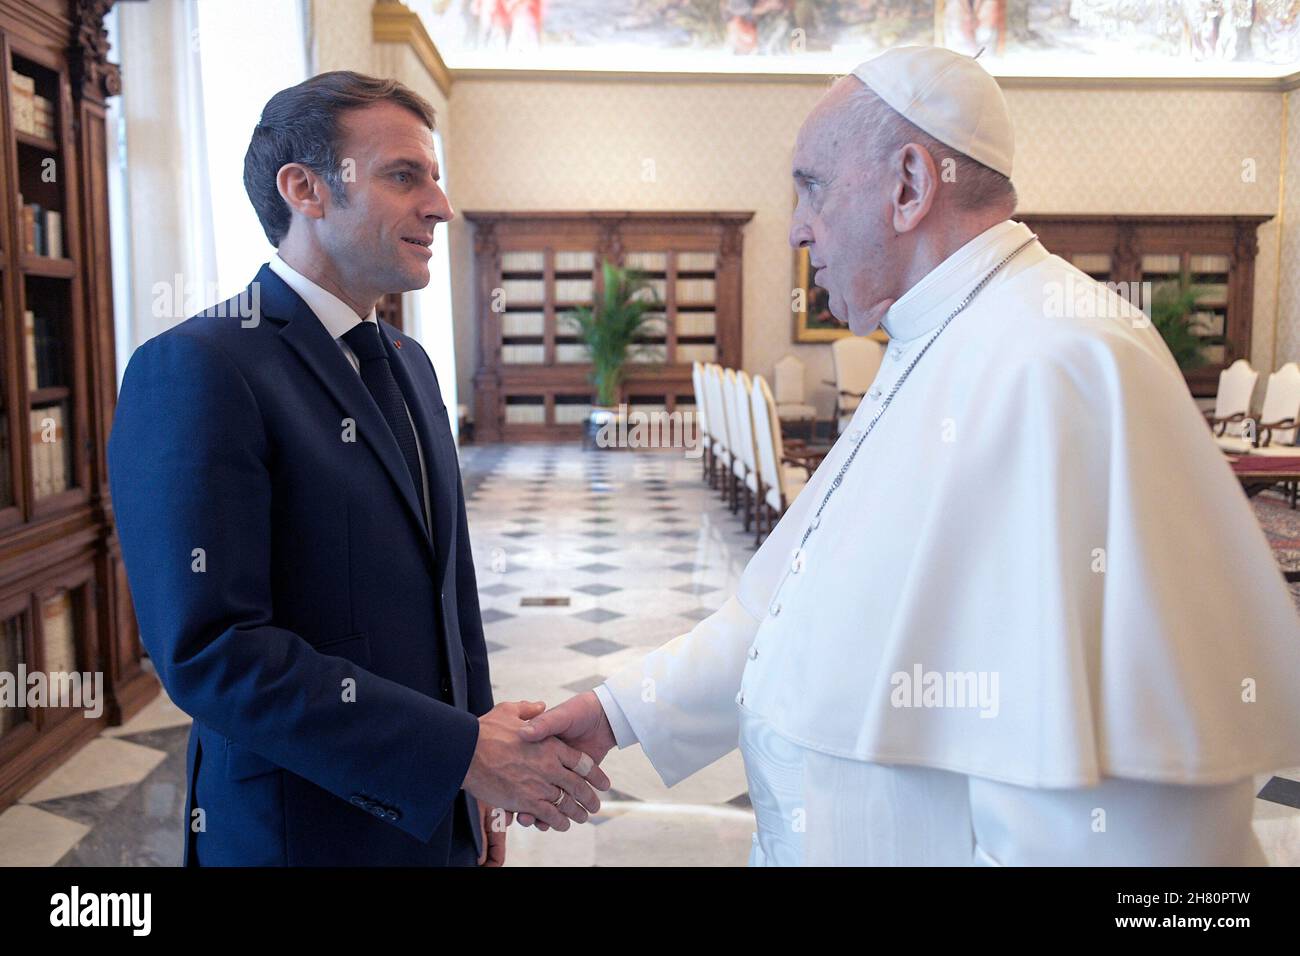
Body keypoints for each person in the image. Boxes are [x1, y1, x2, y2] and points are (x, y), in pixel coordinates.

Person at [518, 46, 1300, 865]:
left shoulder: (1062, 359)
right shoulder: (936, 336)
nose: (796, 225)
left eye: (811, 185)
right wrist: (620, 709)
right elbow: (791, 607)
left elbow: (1117, 819)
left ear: (910, 186)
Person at [109, 71, 605, 867]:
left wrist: (475, 777)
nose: (440, 207)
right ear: (305, 189)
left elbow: (451, 598)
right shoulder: (198, 368)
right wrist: (456, 755)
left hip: (434, 814)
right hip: (303, 833)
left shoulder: (408, 363)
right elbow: (212, 652)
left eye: (435, 179)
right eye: (404, 176)